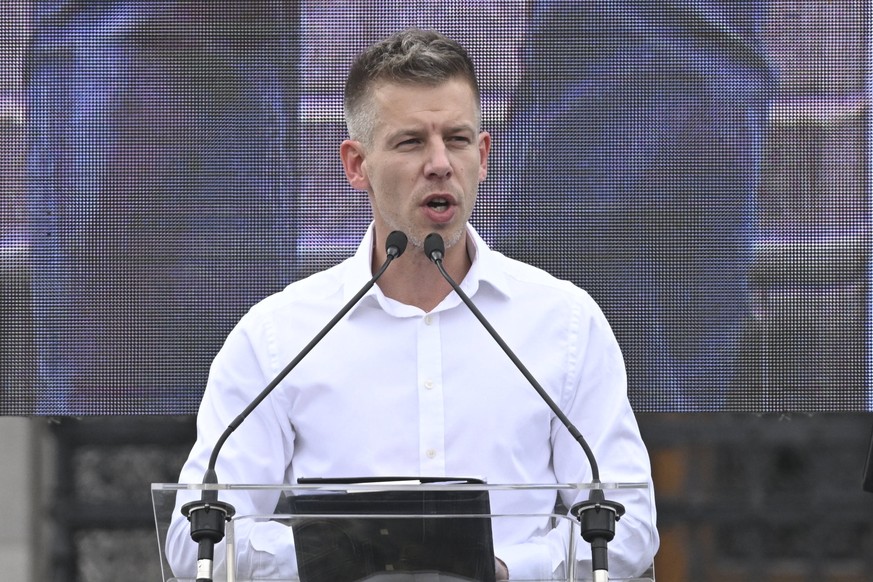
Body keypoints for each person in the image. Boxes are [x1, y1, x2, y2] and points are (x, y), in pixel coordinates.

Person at [167, 28, 658, 580]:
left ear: (484, 154)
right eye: (410, 143)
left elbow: (629, 523)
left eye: (458, 139)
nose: (440, 163)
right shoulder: (281, 334)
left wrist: (500, 569)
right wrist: (345, 560)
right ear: (356, 165)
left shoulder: (564, 322)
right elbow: (195, 539)